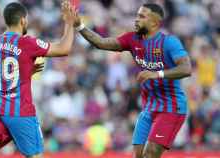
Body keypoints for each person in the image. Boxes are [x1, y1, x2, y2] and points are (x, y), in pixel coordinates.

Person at [73, 3, 192, 158]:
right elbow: (101, 43)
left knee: (150, 155)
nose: (136, 20)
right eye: (137, 15)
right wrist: (80, 26)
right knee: (138, 156)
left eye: (142, 16)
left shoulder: (169, 42)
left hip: (171, 108)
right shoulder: (132, 39)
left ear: (154, 22)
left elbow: (186, 69)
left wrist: (158, 74)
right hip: (148, 109)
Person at [0, 1, 76, 158]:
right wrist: (69, 23)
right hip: (19, 110)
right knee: (36, 156)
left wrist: (25, 73)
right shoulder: (26, 42)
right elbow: (64, 48)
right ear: (23, 20)